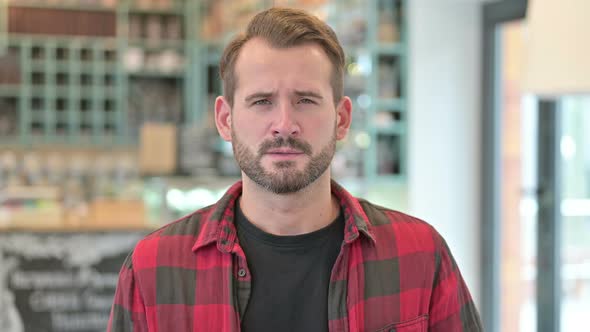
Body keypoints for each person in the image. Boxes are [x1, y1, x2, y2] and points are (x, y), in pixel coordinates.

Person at [108, 7, 483, 332]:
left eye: (305, 100)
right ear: (225, 120)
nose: (284, 123)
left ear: (342, 118)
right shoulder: (153, 270)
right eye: (261, 101)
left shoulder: (419, 255)